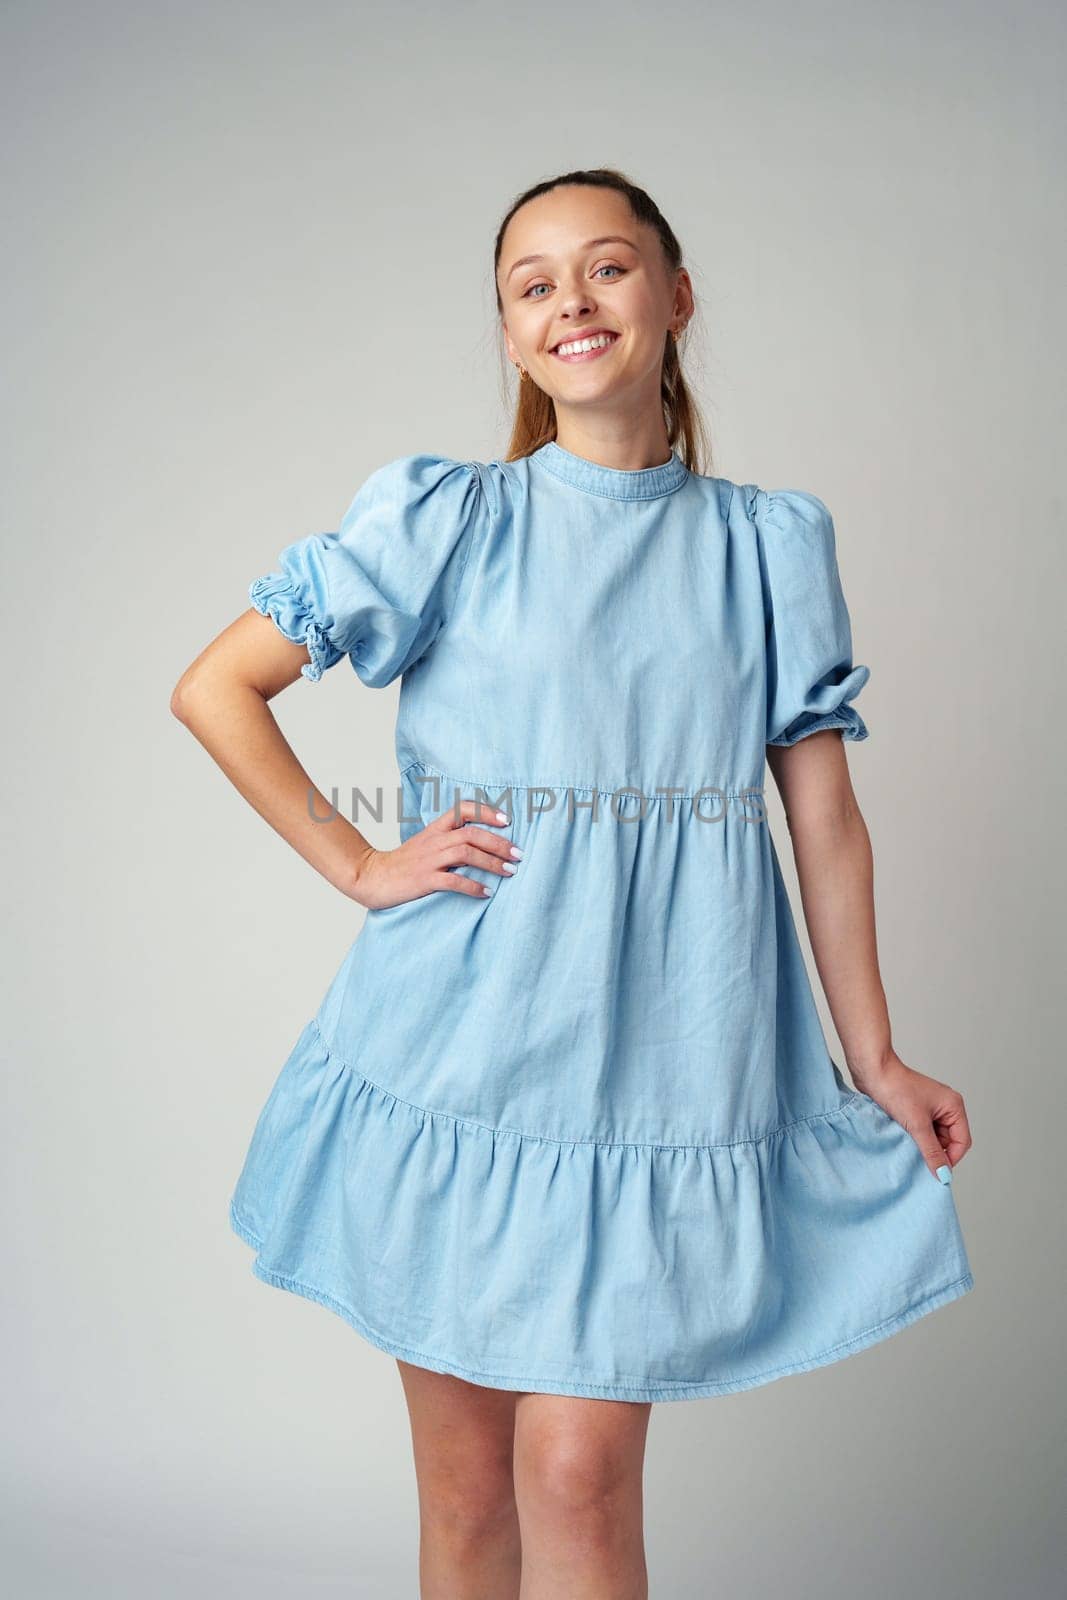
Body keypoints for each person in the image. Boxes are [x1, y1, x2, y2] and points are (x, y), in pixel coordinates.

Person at [171, 166, 975, 1599]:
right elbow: (219, 686)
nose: (572, 303)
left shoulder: (767, 546)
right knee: (470, 1495)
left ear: (675, 300)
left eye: (607, 269)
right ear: (511, 337)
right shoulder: (451, 518)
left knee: (579, 1479)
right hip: (461, 1055)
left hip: (658, 1068)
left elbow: (827, 824)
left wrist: (876, 1052)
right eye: (532, 285)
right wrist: (358, 863)